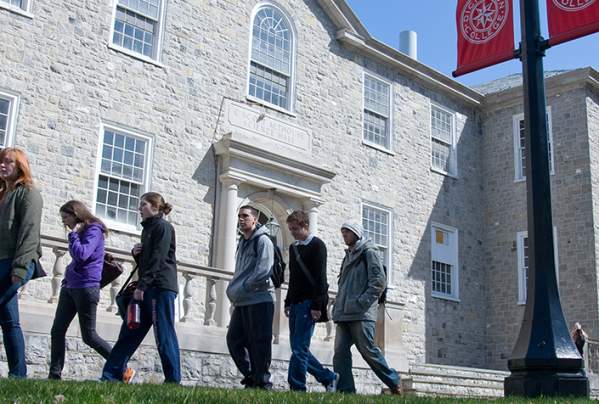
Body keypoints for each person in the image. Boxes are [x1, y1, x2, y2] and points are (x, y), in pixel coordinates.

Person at [101, 192, 181, 384]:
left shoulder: (163, 227)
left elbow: (159, 259)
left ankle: (173, 380)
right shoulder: (148, 229)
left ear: (154, 207)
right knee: (130, 330)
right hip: (148, 287)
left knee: (164, 334)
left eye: (143, 204)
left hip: (160, 288)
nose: (139, 208)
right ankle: (110, 376)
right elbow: (148, 260)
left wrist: (142, 286)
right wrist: (137, 254)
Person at [332, 222, 401, 394]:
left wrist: (361, 302)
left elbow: (379, 281)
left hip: (361, 313)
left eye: (347, 231)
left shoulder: (369, 252)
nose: (344, 234)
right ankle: (345, 391)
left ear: (357, 233)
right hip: (343, 313)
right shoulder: (347, 255)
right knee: (340, 353)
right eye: (342, 232)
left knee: (367, 350)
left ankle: (394, 382)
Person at [48, 200, 112, 379]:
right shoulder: (81, 231)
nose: (64, 222)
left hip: (86, 288)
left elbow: (82, 254)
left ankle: (120, 366)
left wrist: (74, 236)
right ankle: (54, 374)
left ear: (76, 214)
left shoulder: (94, 229)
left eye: (66, 217)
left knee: (89, 336)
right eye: (62, 218)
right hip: (70, 287)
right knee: (57, 331)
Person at [0, 147, 43, 378]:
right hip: (1, 261)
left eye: (9, 162)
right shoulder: (3, 193)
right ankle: (18, 374)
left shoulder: (28, 194)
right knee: (9, 321)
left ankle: (18, 373)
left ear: (20, 166)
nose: (3, 165)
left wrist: (20, 269)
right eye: (1, 161)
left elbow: (29, 232)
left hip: (16, 262)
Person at [284, 210, 337, 392]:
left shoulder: (317, 245)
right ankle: (328, 377)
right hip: (296, 303)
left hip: (309, 304)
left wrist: (317, 306)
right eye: (290, 229)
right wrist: (287, 302)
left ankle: (297, 387)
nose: (293, 232)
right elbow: (293, 278)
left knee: (300, 348)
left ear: (305, 225)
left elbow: (320, 278)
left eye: (295, 229)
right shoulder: (293, 248)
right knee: (297, 348)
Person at [226, 205, 275, 389]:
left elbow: (264, 270)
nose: (241, 219)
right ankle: (252, 376)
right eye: (239, 216)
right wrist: (235, 288)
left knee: (259, 342)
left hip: (260, 299)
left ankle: (262, 382)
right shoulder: (242, 241)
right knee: (234, 340)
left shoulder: (263, 241)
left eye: (245, 216)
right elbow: (240, 271)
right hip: (242, 300)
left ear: (255, 219)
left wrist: (244, 286)